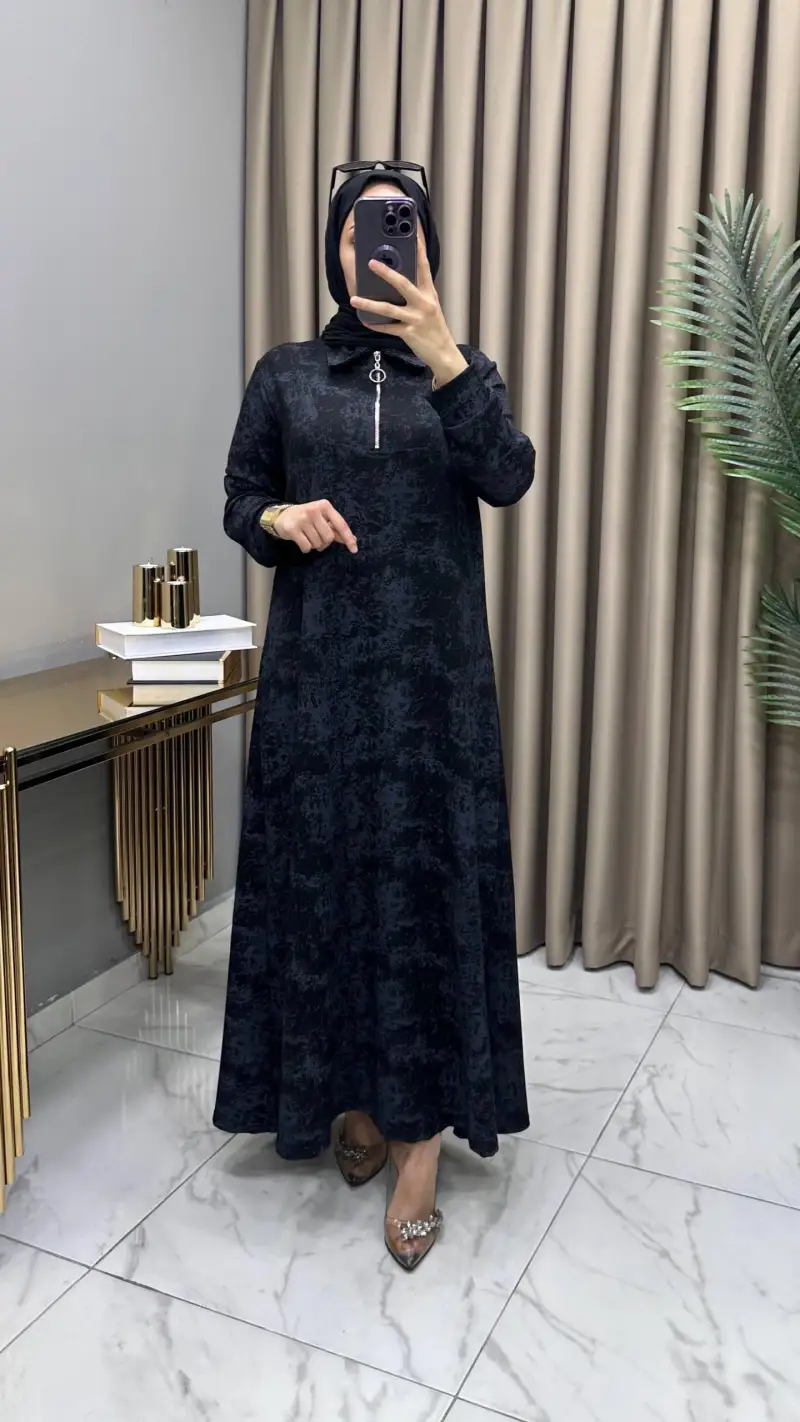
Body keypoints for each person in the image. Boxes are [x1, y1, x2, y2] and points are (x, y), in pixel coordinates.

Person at [214, 161, 534, 1271]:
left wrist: (446, 357)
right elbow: (239, 497)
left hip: (435, 700)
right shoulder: (286, 374)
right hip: (319, 687)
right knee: (330, 891)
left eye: (397, 232)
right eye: (359, 234)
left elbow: (508, 475)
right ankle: (347, 1092)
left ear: (424, 250)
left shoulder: (465, 372)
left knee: (424, 900)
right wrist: (279, 517)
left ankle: (419, 1148)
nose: (376, 251)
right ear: (333, 251)